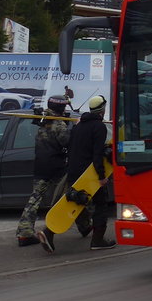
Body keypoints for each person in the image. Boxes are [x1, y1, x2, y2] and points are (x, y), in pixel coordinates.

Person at [40, 94, 115, 252]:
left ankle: (49, 232)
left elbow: (72, 148)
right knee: (101, 204)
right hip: (89, 173)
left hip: (74, 170)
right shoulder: (99, 127)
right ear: (103, 110)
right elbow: (97, 154)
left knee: (75, 202)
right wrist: (101, 176)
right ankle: (98, 240)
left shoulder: (78, 125)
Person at [16, 94, 88, 247]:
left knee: (35, 199)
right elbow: (68, 142)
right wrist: (76, 127)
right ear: (61, 108)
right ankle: (85, 226)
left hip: (41, 164)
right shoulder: (59, 124)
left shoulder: (43, 120)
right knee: (71, 195)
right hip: (57, 167)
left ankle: (24, 233)